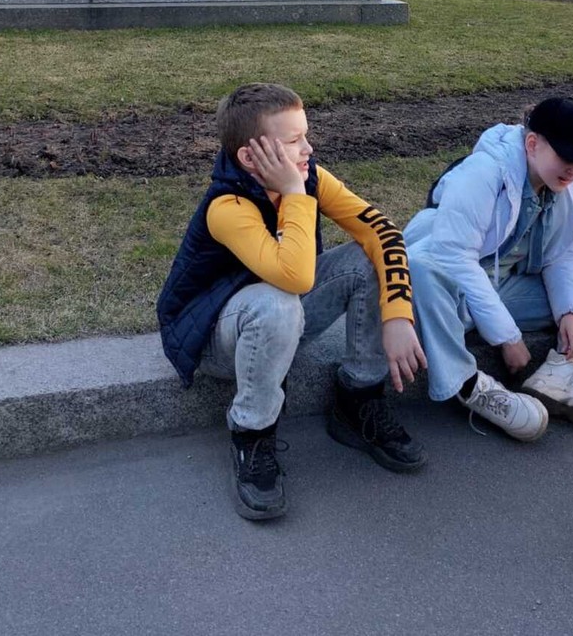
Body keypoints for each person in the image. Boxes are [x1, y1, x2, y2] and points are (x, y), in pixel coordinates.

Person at [157, 83, 427, 522]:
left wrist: (398, 315)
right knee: (277, 302)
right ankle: (252, 433)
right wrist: (297, 196)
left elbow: (384, 232)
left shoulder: (308, 174)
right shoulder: (226, 206)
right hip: (214, 339)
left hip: (278, 315)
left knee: (363, 258)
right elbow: (296, 276)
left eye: (305, 134)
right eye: (292, 141)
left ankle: (358, 399)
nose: (309, 147)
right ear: (250, 157)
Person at [404, 97, 573, 439]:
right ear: (532, 144)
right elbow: (455, 258)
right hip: (457, 296)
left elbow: (563, 256)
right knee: (420, 266)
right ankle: (469, 385)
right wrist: (507, 336)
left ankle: (570, 376)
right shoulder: (485, 172)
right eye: (566, 156)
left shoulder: (569, 188)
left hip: (508, 289)